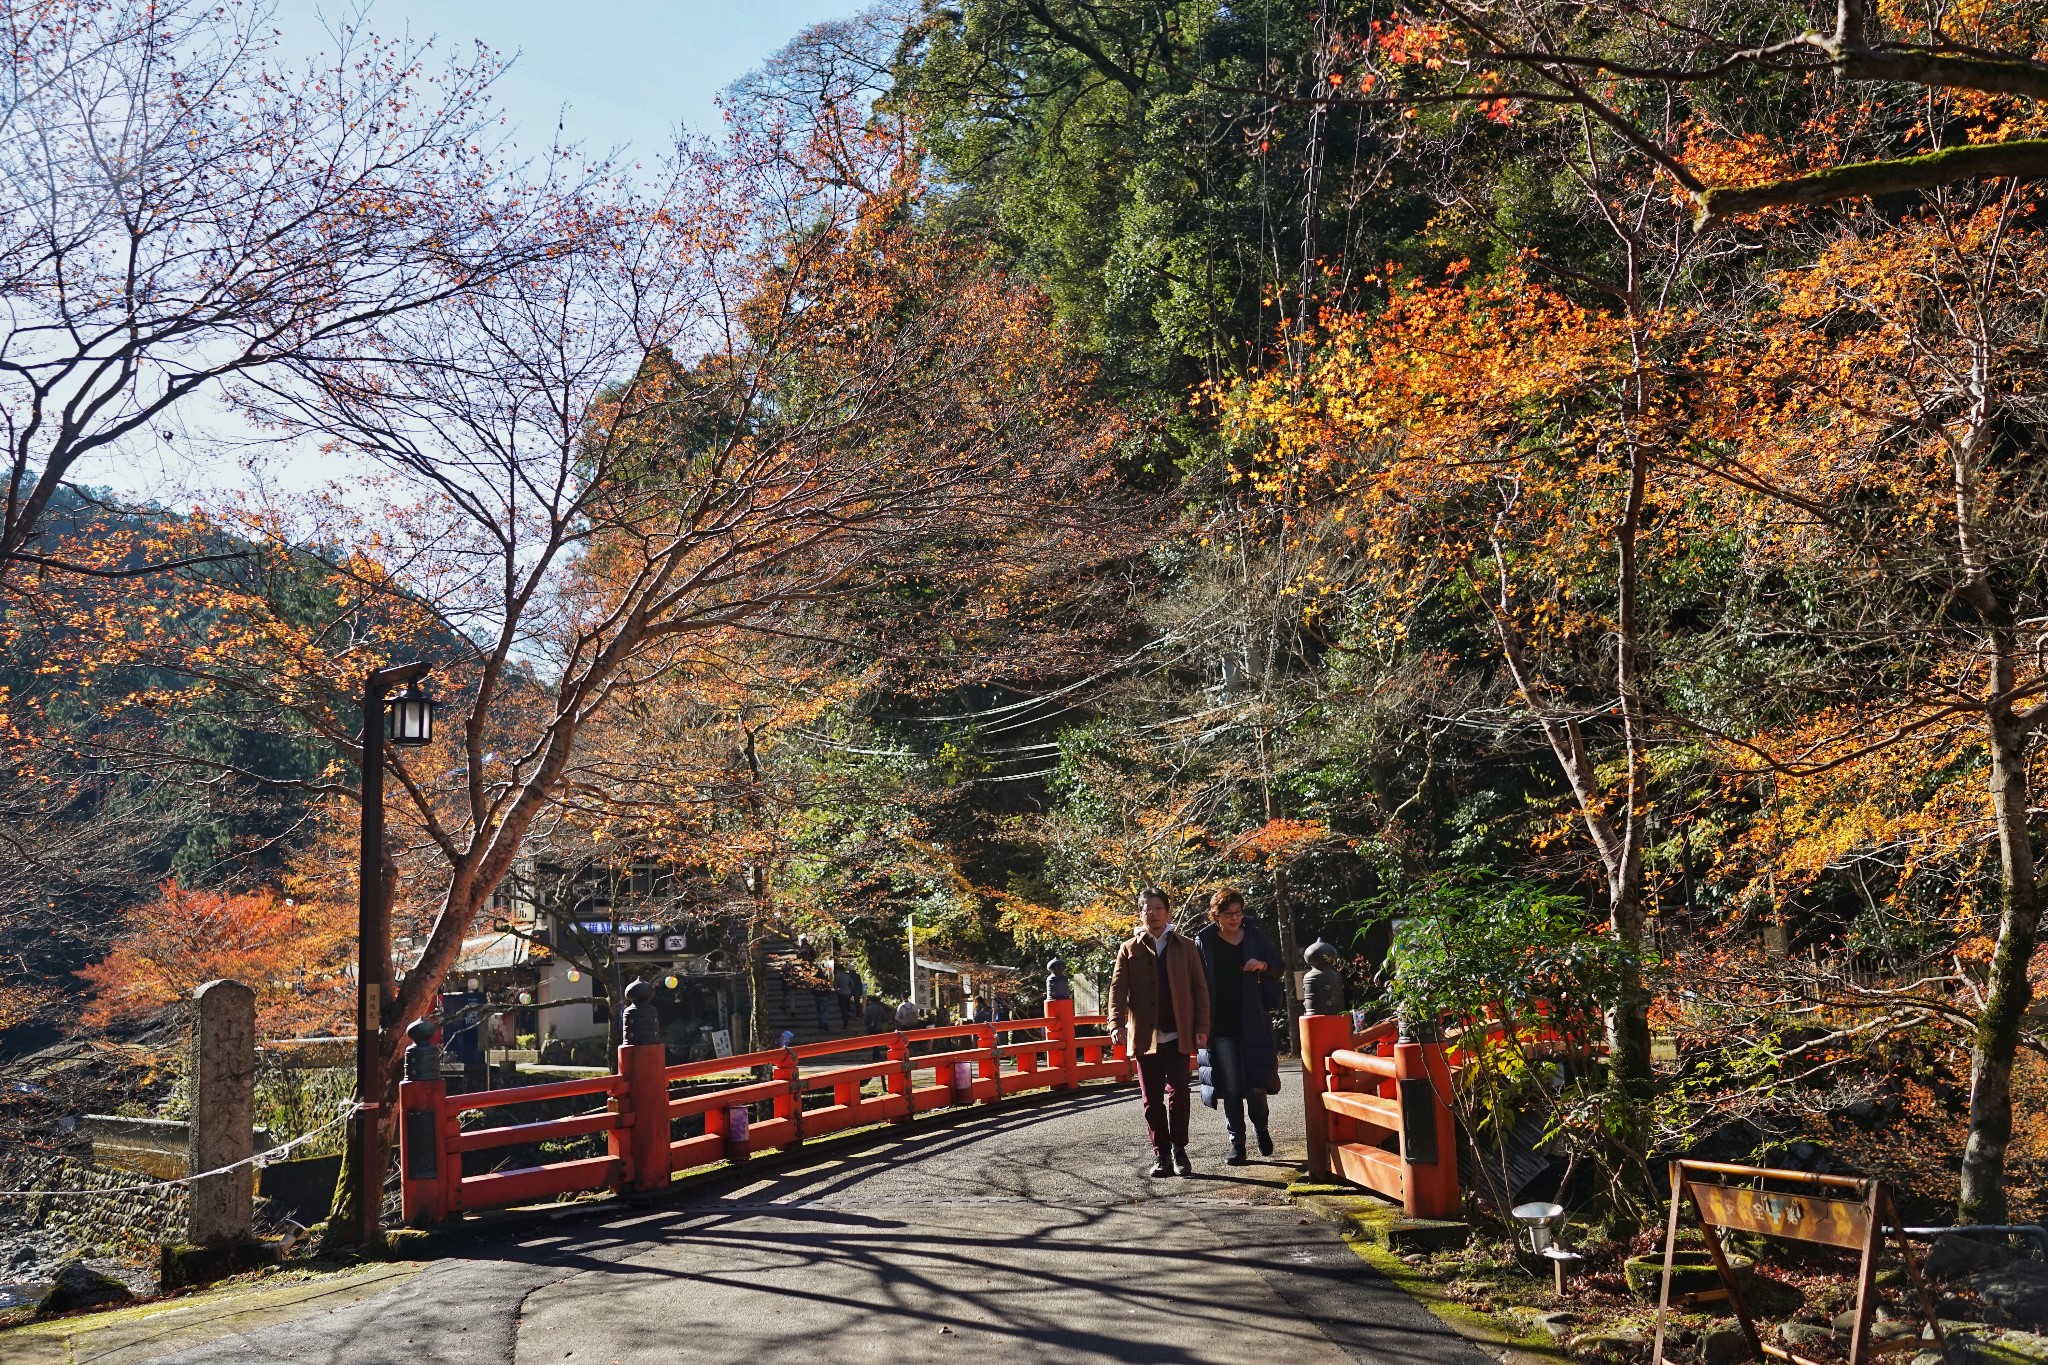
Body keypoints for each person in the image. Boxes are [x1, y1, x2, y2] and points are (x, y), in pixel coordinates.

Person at [1109, 886, 1210, 1177]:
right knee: (1151, 1100)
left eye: (1157, 907)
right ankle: (1161, 1154)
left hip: (1178, 1033)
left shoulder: (1185, 946)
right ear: (1140, 914)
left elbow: (1200, 990)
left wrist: (1202, 1027)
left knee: (1179, 1092)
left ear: (1168, 911)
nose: (1152, 913)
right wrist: (1115, 1023)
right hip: (1145, 1036)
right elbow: (1117, 990)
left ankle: (1179, 1150)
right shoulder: (1129, 948)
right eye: (1146, 908)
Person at [1195, 887, 1284, 1165]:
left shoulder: (1255, 935)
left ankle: (1262, 1129)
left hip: (1254, 1019)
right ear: (1216, 915)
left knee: (1256, 1084)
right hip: (1221, 1024)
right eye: (1228, 913)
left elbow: (1278, 966)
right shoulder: (1205, 942)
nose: (1235, 918)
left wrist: (1262, 964)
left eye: (1238, 912)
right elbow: (1196, 983)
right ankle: (1237, 1143)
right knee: (1232, 1087)